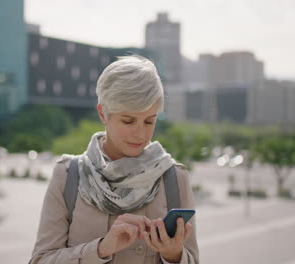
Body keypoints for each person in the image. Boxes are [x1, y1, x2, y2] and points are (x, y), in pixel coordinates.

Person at [29, 55, 199, 264]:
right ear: (103, 114)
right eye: (128, 121)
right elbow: (40, 260)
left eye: (149, 121)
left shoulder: (174, 178)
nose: (140, 134)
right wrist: (101, 249)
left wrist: (173, 256)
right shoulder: (68, 176)